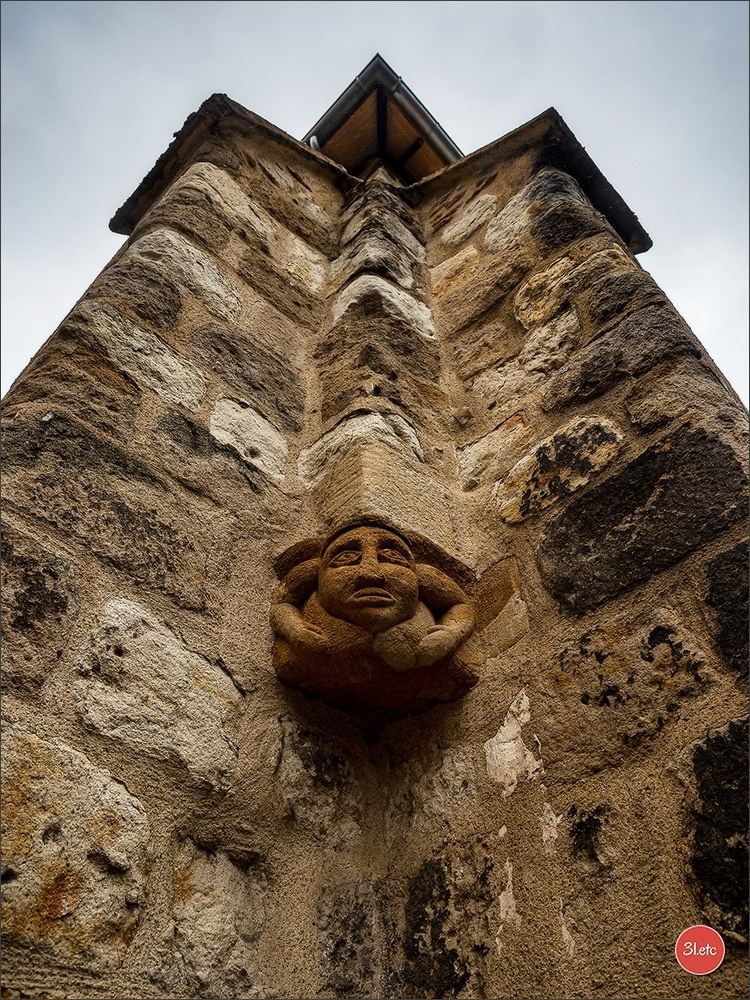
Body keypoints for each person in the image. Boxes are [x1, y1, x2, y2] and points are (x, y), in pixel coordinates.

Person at [270, 523, 475, 671]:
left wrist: (451, 634)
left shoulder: (426, 576)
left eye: (392, 557)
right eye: (346, 557)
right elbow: (283, 603)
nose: (371, 573)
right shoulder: (308, 573)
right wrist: (294, 629)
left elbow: (460, 604)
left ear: (418, 573)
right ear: (316, 573)